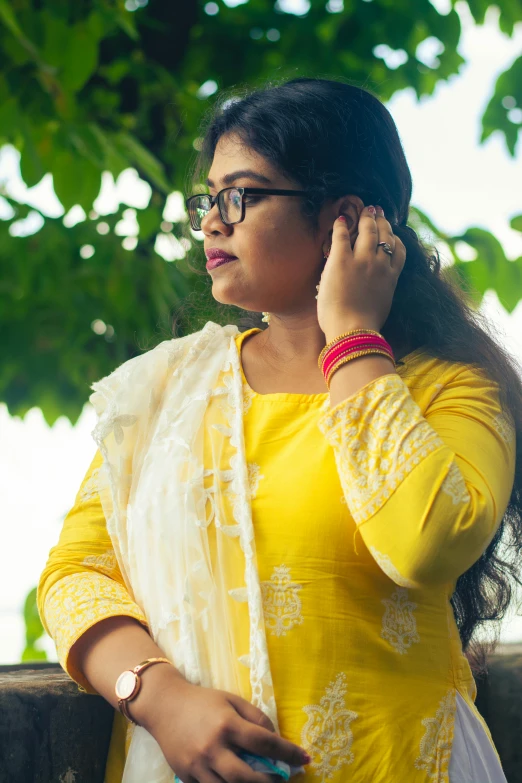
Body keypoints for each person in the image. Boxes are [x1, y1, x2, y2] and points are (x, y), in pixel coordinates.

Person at [37, 77, 521, 783]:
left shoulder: (449, 384)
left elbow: (425, 543)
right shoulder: (167, 390)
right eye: (208, 199)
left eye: (242, 195)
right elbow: (76, 573)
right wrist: (162, 700)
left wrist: (352, 336)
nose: (211, 221)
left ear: (345, 216)